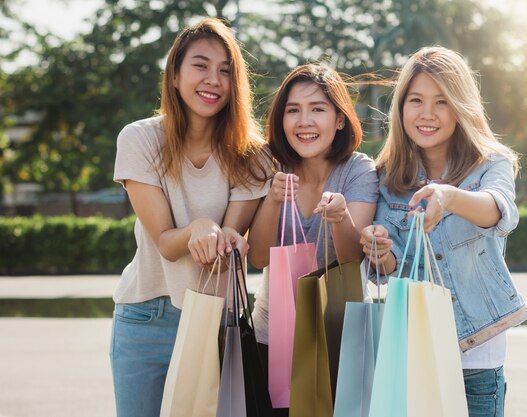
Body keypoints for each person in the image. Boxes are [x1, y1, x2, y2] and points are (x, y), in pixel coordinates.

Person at [109, 18, 270, 417]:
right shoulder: (140, 139)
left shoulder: (255, 156)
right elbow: (165, 241)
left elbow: (232, 239)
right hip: (146, 317)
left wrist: (228, 238)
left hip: (217, 323)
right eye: (200, 65)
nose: (213, 79)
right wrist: (198, 229)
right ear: (175, 74)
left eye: (226, 71)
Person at [360, 46, 527, 417]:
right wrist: (379, 248)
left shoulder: (490, 162)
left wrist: (448, 196)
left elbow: (499, 212)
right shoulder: (388, 177)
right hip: (414, 347)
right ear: (401, 108)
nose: (427, 114)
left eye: (442, 102)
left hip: (478, 349)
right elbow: (388, 267)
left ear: (461, 107)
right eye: (416, 100)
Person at [247, 63, 379, 415]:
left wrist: (341, 217)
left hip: (337, 337)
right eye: (293, 110)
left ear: (339, 119)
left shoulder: (358, 170)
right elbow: (258, 257)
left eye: (317, 109)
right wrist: (273, 199)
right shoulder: (269, 164)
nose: (304, 121)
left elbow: (353, 262)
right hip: (272, 337)